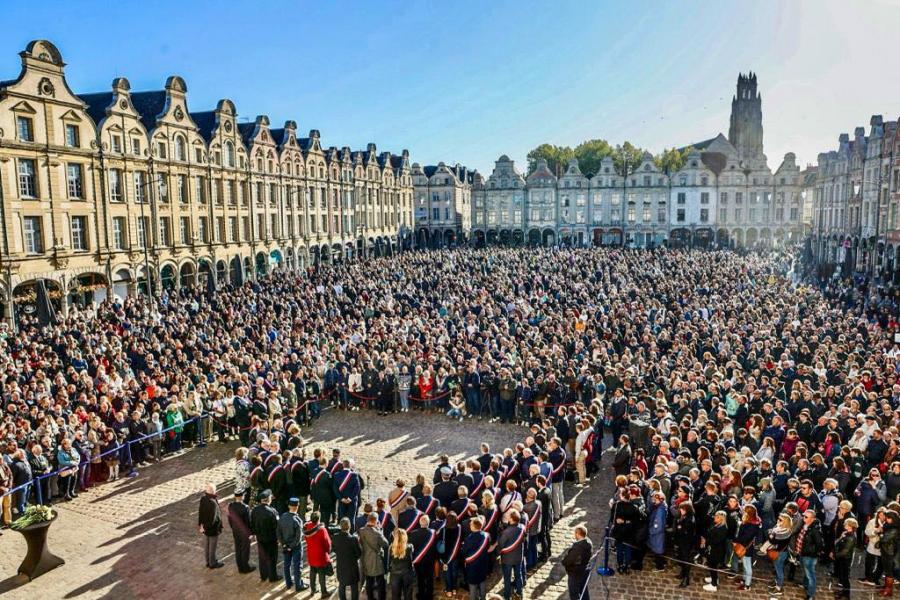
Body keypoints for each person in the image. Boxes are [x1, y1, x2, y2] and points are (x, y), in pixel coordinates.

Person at [277, 497, 308, 592]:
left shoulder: (282, 517)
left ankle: (288, 583)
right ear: (297, 507)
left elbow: (278, 532)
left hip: (286, 545)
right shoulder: (298, 520)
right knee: (297, 566)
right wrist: (291, 547)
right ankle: (298, 585)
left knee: (287, 565)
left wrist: (284, 544)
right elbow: (298, 538)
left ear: (289, 506)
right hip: (295, 547)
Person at [250, 489, 280, 582]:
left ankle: (263, 575)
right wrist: (278, 538)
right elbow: (276, 526)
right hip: (271, 539)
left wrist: (254, 533)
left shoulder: (254, 510)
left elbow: (252, 523)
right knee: (272, 558)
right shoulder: (272, 511)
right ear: (268, 499)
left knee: (262, 557)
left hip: (260, 538)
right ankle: (272, 577)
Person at [794, 509, 823, 600]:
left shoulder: (815, 530)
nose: (803, 518)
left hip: (809, 555)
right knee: (806, 571)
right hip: (803, 553)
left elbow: (819, 544)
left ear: (812, 519)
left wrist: (813, 553)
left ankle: (810, 594)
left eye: (806, 517)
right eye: (803, 516)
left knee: (811, 575)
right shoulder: (806, 524)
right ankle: (805, 585)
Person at [497, 509, 526, 600]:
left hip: (507, 559)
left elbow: (501, 545)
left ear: (512, 519)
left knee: (507, 578)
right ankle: (519, 593)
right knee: (518, 575)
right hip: (518, 556)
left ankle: (507, 595)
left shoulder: (506, 532)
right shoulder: (522, 527)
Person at [730, 504, 760, 591]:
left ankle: (747, 585)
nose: (742, 511)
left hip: (747, 547)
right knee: (744, 565)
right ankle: (744, 580)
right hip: (745, 546)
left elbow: (745, 538)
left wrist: (736, 540)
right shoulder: (750, 521)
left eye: (744, 511)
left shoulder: (752, 525)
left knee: (747, 566)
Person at [360, 511, 389, 600]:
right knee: (381, 583)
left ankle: (371, 598)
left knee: (369, 581)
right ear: (375, 521)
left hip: (365, 559)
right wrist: (380, 531)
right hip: (376, 561)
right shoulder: (377, 533)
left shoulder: (361, 530)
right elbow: (386, 544)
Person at [304, 511, 333, 597]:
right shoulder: (322, 529)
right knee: (321, 574)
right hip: (320, 555)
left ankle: (313, 590)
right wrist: (328, 551)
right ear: (319, 519)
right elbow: (327, 543)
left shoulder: (307, 527)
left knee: (312, 571)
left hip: (311, 553)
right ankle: (324, 592)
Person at [462, 516, 492, 600]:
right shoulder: (486, 536)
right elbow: (488, 547)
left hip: (472, 565)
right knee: (482, 582)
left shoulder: (469, 539)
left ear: (473, 527)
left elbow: (464, 552)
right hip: (483, 563)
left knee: (473, 585)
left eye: (471, 525)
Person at [408, 515, 437, 600]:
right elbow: (435, 546)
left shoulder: (413, 533)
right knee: (430, 578)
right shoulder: (433, 532)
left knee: (420, 578)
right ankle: (429, 595)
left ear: (420, 523)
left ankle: (421, 594)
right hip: (430, 560)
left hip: (419, 560)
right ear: (428, 523)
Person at [333, 517, 362, 600]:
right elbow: (359, 554)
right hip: (352, 567)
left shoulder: (335, 537)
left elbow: (334, 549)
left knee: (341, 585)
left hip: (341, 566)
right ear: (349, 526)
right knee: (354, 587)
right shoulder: (353, 539)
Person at [561, 525, 593, 600]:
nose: (574, 535)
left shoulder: (578, 547)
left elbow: (567, 561)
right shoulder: (588, 542)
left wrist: (563, 561)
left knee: (574, 593)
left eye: (575, 533)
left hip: (575, 573)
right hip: (584, 570)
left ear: (578, 534)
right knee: (583, 589)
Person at [765, 512, 793, 596]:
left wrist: (770, 534)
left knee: (779, 570)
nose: (778, 520)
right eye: (778, 518)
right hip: (781, 552)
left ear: (785, 522)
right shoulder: (782, 529)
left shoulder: (783, 532)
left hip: (780, 553)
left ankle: (779, 588)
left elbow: (772, 541)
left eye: (780, 520)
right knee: (778, 569)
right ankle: (777, 582)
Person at [227, 491, 255, 574]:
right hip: (244, 532)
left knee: (238, 548)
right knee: (245, 550)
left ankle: (240, 567)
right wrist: (251, 533)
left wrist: (233, 527)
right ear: (242, 497)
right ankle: (245, 567)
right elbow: (248, 522)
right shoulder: (245, 507)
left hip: (235, 530)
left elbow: (230, 519)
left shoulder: (231, 506)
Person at [197, 483, 224, 569]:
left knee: (206, 545)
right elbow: (213, 518)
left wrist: (201, 525)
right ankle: (212, 563)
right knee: (212, 547)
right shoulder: (213, 502)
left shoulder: (203, 499)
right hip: (212, 529)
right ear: (213, 491)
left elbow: (200, 513)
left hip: (205, 527)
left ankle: (208, 561)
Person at [702, 510, 728, 592]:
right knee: (711, 566)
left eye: (716, 517)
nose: (714, 517)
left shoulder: (723, 529)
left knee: (713, 566)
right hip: (712, 549)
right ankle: (714, 578)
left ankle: (714, 585)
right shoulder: (716, 525)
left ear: (720, 519)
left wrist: (707, 540)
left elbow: (716, 541)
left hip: (716, 551)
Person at [833, 517, 857, 600]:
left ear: (850, 526)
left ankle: (846, 595)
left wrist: (835, 555)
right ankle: (843, 592)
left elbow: (845, 551)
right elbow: (836, 543)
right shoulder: (846, 533)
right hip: (841, 558)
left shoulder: (851, 537)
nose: (844, 525)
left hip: (845, 559)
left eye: (846, 524)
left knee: (845, 578)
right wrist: (841, 537)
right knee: (842, 576)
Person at [672, 502, 695, 588]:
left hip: (687, 544)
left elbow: (682, 530)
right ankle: (682, 574)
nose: (680, 510)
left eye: (682, 509)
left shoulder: (690, 519)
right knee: (681, 559)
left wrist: (679, 526)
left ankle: (686, 579)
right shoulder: (683, 516)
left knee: (686, 562)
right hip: (682, 542)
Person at [388, 528, 415, 600]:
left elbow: (388, 562)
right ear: (405, 536)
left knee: (395, 596)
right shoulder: (410, 547)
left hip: (395, 574)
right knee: (408, 595)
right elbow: (412, 560)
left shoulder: (391, 547)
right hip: (407, 573)